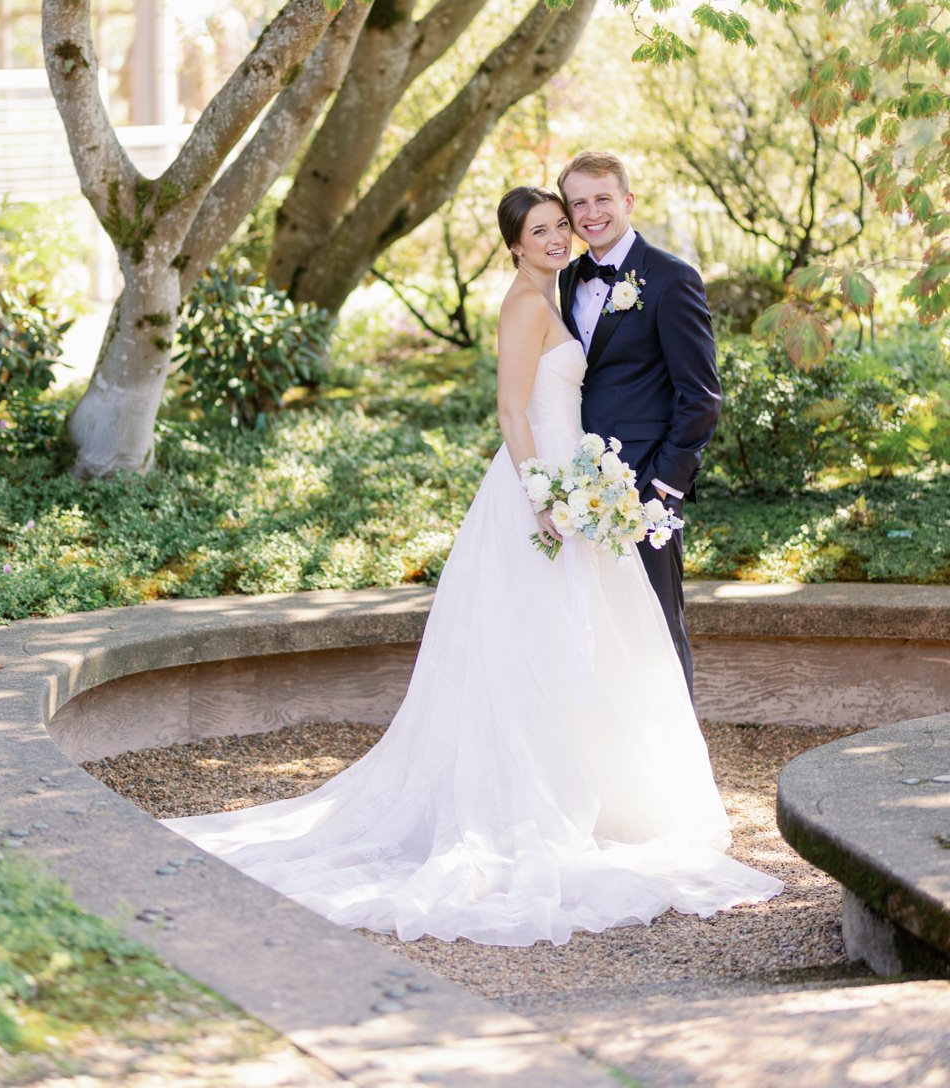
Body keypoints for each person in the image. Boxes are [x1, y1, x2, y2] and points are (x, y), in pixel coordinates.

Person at [166, 186, 779, 947]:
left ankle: (602, 796)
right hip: (540, 490)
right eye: (542, 229)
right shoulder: (525, 305)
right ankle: (528, 805)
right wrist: (541, 496)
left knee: (582, 652)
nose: (559, 237)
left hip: (576, 485)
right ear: (514, 245)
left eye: (563, 224)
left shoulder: (557, 292)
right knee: (535, 653)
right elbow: (511, 409)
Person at [555, 150, 721, 696]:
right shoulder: (569, 278)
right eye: (578, 202)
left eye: (602, 198)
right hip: (579, 487)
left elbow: (700, 397)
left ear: (627, 201)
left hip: (644, 490)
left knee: (657, 632)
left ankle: (678, 772)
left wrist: (662, 488)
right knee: (595, 632)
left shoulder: (671, 279)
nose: (591, 212)